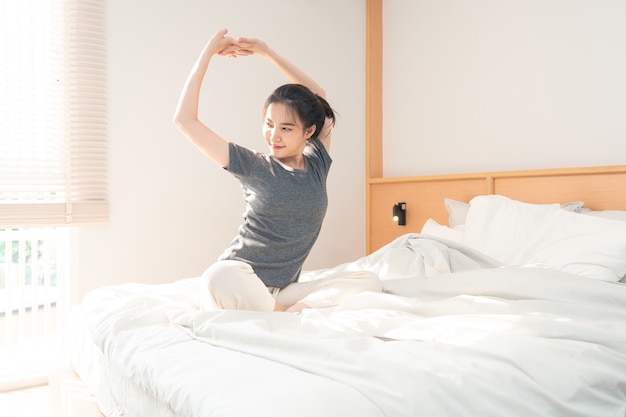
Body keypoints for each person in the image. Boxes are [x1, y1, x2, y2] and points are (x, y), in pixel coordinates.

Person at [173, 29, 381, 313]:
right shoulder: (253, 165)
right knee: (218, 276)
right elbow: (185, 120)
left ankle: (279, 312)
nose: (274, 136)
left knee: (367, 280)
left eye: (286, 128)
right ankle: (280, 315)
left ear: (309, 131)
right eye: (269, 124)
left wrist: (266, 51)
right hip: (240, 282)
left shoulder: (317, 162)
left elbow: (320, 98)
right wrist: (207, 53)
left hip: (283, 292)